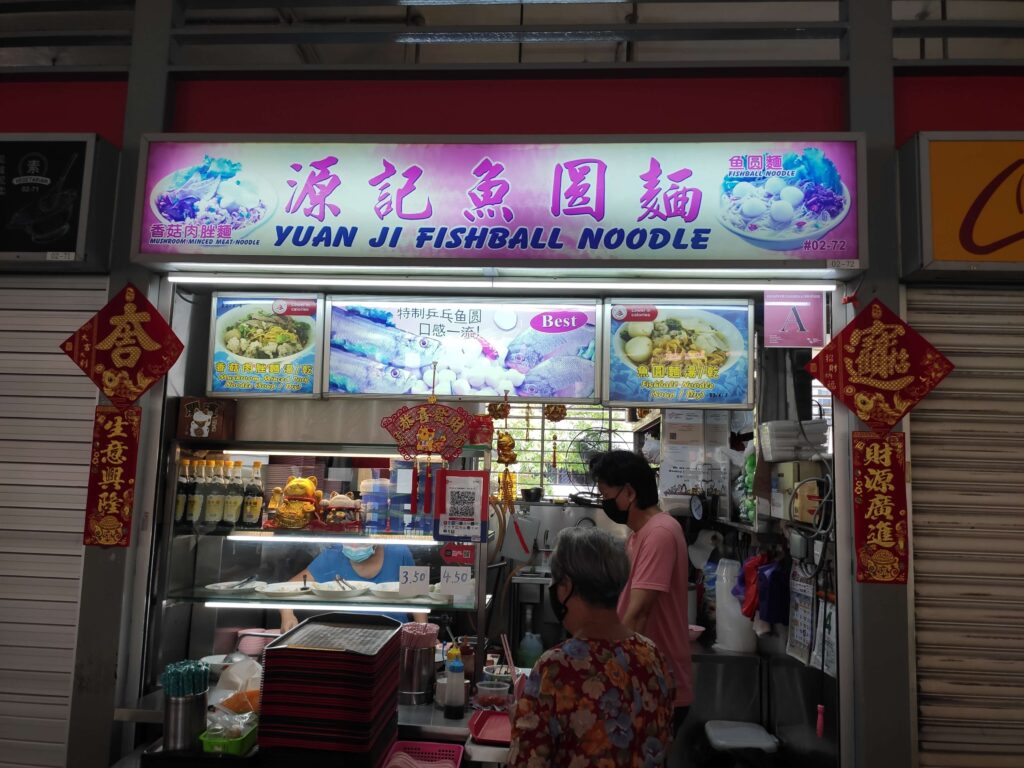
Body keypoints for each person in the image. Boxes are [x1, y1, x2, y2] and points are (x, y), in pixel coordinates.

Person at [509, 527, 674, 768]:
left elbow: (526, 761)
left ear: (566, 586)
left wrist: (520, 724)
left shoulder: (555, 669)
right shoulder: (653, 656)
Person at [589, 449, 693, 737]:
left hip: (654, 683)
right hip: (639, 680)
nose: (604, 502)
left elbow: (639, 612)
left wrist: (610, 674)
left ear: (629, 493)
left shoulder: (660, 534)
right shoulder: (639, 535)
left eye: (606, 494)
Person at [279, 543, 422, 630]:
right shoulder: (333, 554)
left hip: (395, 633)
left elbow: (419, 595)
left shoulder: (400, 551)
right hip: (346, 635)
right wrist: (287, 616)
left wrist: (424, 630)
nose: (354, 545)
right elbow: (290, 586)